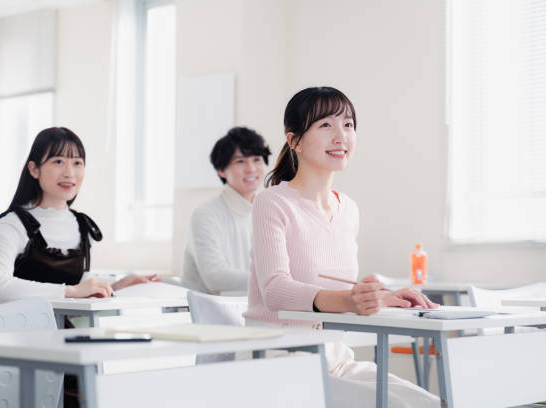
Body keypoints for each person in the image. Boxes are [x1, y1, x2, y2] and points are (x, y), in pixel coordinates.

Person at [243, 87, 440, 407]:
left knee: (431, 403)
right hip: (284, 359)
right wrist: (350, 300)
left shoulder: (348, 209)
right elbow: (276, 291)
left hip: (337, 359)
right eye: (325, 125)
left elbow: (334, 286)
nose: (341, 136)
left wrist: (380, 298)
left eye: (348, 125)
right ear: (294, 140)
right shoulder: (271, 202)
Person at [0, 127, 158, 304]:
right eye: (58, 161)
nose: (70, 173)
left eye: (77, 163)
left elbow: (81, 284)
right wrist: (70, 291)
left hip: (62, 328)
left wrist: (119, 285)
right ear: (34, 169)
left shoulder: (82, 225)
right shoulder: (12, 224)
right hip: (17, 328)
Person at [181, 126, 271, 294]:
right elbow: (215, 278)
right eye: (240, 161)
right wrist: (274, 282)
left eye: (257, 159)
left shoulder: (267, 212)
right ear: (221, 170)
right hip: (208, 314)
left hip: (251, 310)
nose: (251, 168)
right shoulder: (206, 214)